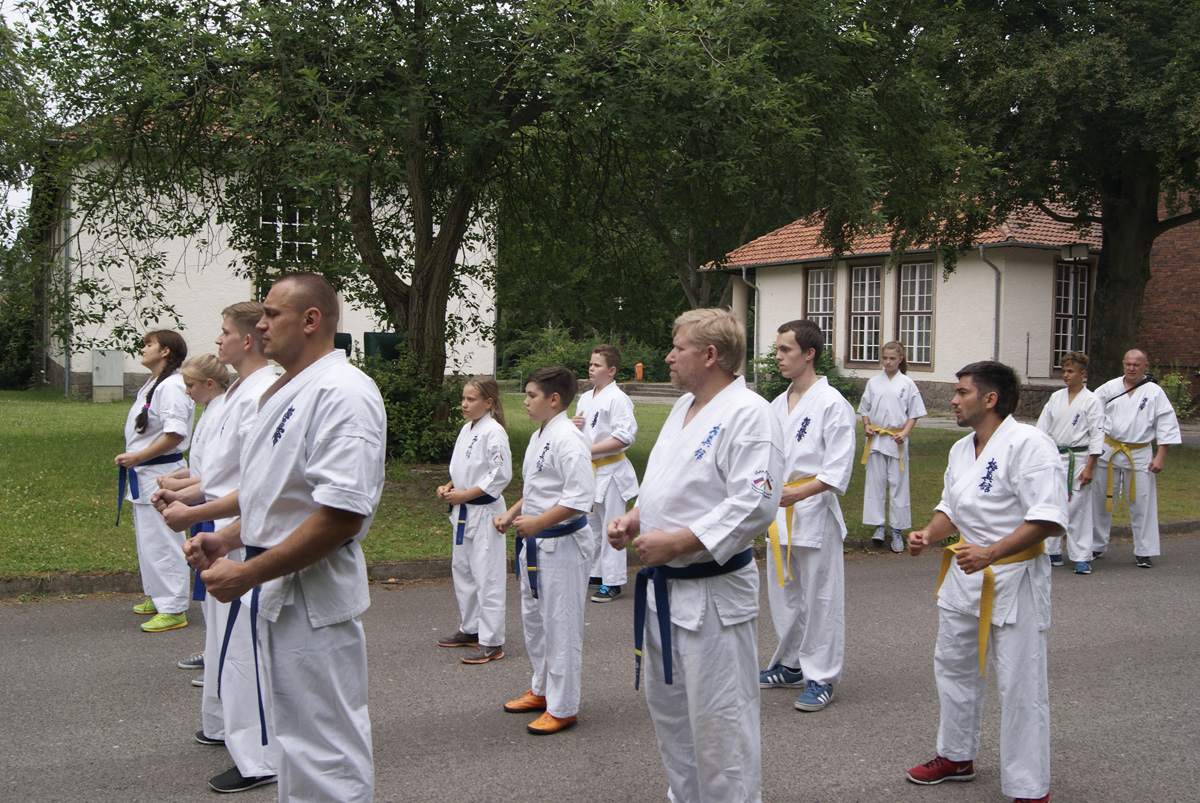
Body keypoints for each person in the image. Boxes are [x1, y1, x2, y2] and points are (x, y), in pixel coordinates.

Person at [186, 273, 386, 801]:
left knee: (325, 749)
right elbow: (280, 497)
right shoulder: (292, 387)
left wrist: (248, 572)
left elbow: (341, 515)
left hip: (313, 595)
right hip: (280, 585)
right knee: (294, 742)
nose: (260, 324)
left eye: (272, 314)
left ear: (311, 320)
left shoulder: (342, 393)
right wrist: (229, 539)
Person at [608, 309, 783, 802]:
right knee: (673, 720)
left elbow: (755, 503)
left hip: (713, 595)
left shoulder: (750, 413)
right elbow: (669, 485)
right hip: (664, 595)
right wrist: (636, 518)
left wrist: (678, 542)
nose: (668, 356)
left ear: (710, 355)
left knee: (721, 726)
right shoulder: (684, 407)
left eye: (677, 347)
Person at [906, 361, 1066, 803]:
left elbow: (1048, 518)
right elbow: (951, 509)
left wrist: (992, 552)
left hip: (1013, 577)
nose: (953, 400)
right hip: (965, 575)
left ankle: (1029, 787)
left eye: (962, 392)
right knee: (953, 668)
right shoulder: (962, 449)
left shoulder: (1030, 445)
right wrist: (928, 533)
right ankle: (956, 755)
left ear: (990, 399)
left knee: (1020, 684)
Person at [155, 302, 279, 794]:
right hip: (222, 526)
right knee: (222, 639)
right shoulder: (234, 396)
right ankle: (225, 725)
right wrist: (186, 496)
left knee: (245, 645)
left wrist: (194, 511)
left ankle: (260, 756)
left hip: (244, 532)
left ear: (247, 340)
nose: (217, 339)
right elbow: (218, 473)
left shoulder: (262, 395)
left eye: (225, 331)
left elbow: (258, 486)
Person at [758, 320, 855, 713]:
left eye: (786, 350)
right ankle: (791, 664)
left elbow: (838, 468)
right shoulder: (775, 404)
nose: (778, 357)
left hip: (812, 510)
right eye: (778, 349)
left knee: (821, 598)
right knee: (785, 596)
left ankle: (822, 677)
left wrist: (798, 492)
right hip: (777, 511)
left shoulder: (832, 403)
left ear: (809, 353)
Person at [493, 366, 595, 735]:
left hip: (562, 545)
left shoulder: (569, 439)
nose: (525, 401)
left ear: (553, 399)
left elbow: (580, 498)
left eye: (531, 395)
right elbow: (540, 488)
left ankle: (563, 706)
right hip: (535, 543)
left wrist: (538, 523)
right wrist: (513, 513)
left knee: (560, 625)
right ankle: (541, 689)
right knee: (535, 622)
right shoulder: (542, 435)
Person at [115, 329, 194, 633]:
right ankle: (158, 594)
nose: (143, 348)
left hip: (162, 474)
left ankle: (173, 606)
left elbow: (175, 434)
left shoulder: (172, 386)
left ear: (165, 351)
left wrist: (138, 456)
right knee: (148, 541)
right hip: (144, 473)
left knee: (164, 542)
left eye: (149, 344)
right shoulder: (155, 383)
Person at [436, 375, 512, 664]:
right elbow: (462, 468)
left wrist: (466, 494)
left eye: (471, 399)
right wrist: (448, 486)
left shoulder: (494, 432)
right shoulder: (467, 429)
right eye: (463, 399)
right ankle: (471, 628)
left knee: (487, 575)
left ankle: (492, 640)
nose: (464, 404)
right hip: (463, 511)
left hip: (485, 513)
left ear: (488, 402)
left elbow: (500, 475)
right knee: (463, 571)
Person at [1091, 349, 1182, 568]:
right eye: (1128, 364)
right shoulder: (1108, 388)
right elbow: (1092, 415)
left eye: (1136, 365)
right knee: (1100, 500)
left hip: (1140, 453)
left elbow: (1166, 424)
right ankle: (1095, 545)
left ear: (1145, 366)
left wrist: (1160, 456)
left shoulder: (1154, 392)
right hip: (1109, 451)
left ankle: (1144, 550)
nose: (1131, 368)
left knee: (1142, 502)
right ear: (1123, 364)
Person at [573, 344, 639, 603]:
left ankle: (613, 581)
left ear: (611, 371)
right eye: (590, 364)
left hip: (611, 470)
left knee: (613, 525)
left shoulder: (618, 399)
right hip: (590, 471)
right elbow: (585, 432)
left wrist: (588, 450)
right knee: (592, 525)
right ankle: (597, 573)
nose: (591, 368)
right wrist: (573, 426)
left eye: (597, 365)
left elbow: (624, 437)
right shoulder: (585, 397)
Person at [1034, 351, 1103, 573]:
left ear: (1082, 374)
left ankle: (1082, 556)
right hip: (1055, 457)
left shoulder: (1092, 400)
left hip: (1079, 459)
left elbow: (1097, 435)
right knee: (1053, 503)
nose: (1065, 375)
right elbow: (1042, 430)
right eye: (1063, 371)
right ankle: (1052, 551)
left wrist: (1090, 467)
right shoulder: (1056, 398)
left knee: (1079, 508)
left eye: (1070, 371)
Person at [858, 340, 926, 553]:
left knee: (898, 484)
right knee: (875, 483)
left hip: (897, 439)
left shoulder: (907, 383)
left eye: (892, 358)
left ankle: (897, 529)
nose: (888, 362)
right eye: (885, 358)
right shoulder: (873, 382)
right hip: (877, 439)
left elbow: (914, 413)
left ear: (900, 359)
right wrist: (867, 425)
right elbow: (864, 408)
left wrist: (904, 433)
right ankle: (878, 525)